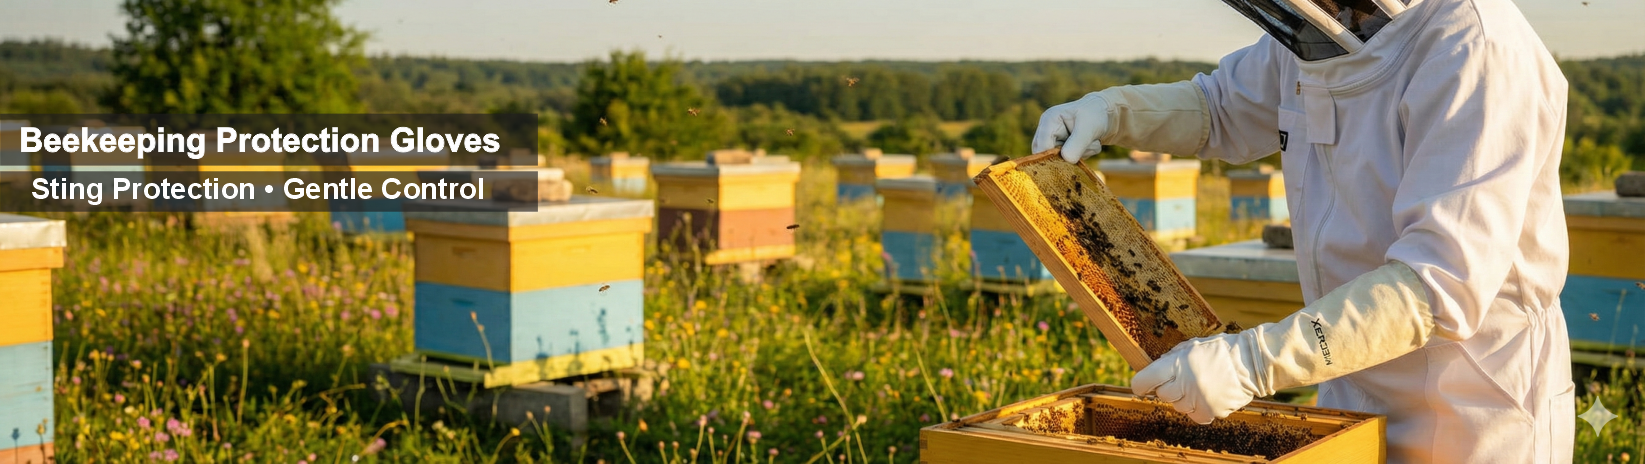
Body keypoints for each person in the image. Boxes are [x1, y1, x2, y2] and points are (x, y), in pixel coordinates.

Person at [1031, 0, 1574, 462]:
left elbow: (1437, 285)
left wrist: (1253, 361)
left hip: (1477, 401)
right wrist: (1113, 110)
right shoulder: (1313, 36)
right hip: (1349, 373)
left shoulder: (1475, 48)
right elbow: (1219, 108)